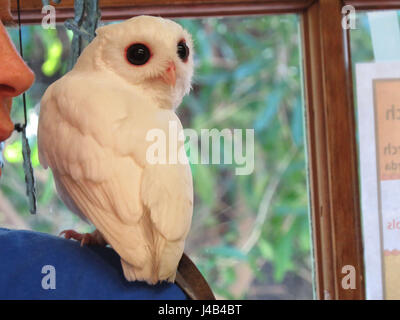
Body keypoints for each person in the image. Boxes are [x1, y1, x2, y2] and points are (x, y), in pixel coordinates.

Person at [0, 0, 194, 300]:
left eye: (181, 52)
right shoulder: (68, 96)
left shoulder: (164, 119)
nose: (170, 69)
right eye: (139, 54)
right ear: (103, 56)